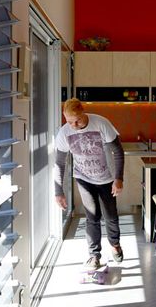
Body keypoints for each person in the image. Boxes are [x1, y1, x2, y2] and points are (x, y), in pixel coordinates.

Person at [54, 98, 125, 270]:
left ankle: (115, 244)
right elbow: (59, 163)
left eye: (77, 120)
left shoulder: (101, 123)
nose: (74, 125)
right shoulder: (64, 133)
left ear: (83, 111)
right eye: (69, 121)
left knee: (111, 216)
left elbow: (118, 151)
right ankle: (94, 256)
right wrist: (58, 191)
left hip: (106, 179)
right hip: (83, 178)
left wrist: (118, 178)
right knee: (92, 217)